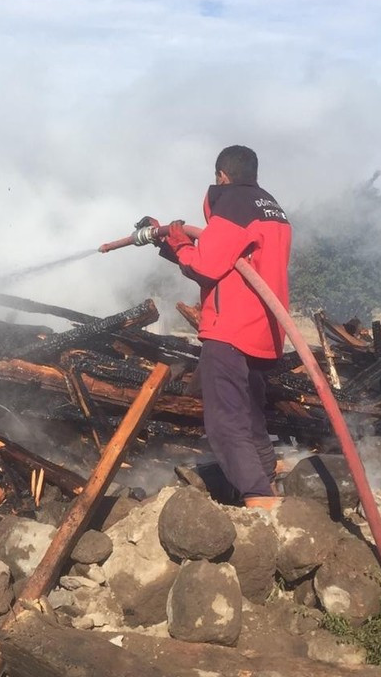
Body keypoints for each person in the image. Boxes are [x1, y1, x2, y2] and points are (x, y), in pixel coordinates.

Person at [149, 145, 292, 509]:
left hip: (232, 328)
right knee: (251, 415)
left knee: (225, 421)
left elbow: (206, 265)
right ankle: (267, 483)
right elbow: (230, 259)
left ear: (221, 176)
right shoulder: (271, 207)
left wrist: (182, 246)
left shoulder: (231, 204)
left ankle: (257, 498)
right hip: (266, 329)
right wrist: (170, 243)